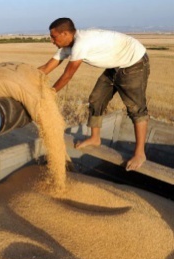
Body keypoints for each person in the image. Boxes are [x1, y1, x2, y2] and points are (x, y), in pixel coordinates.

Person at [38, 18, 150, 171]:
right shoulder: (68, 45)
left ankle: (140, 153)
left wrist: (50, 94)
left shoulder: (80, 44)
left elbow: (67, 76)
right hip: (115, 65)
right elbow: (46, 67)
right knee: (96, 98)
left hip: (133, 62)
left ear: (65, 33)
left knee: (135, 108)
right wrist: (26, 76)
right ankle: (95, 138)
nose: (51, 40)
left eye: (53, 36)